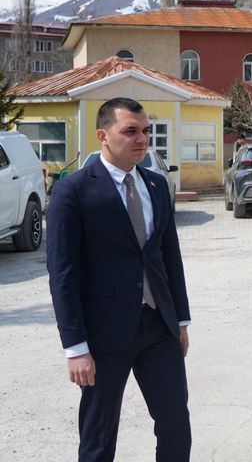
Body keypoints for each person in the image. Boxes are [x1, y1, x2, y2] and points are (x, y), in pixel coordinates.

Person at [47, 97, 192, 461]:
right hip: (103, 334)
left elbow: (168, 258)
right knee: (99, 436)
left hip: (159, 326)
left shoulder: (157, 186)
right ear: (103, 135)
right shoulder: (73, 191)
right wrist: (75, 347)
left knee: (175, 423)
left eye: (145, 131)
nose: (142, 139)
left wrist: (181, 320)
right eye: (130, 131)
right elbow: (63, 274)